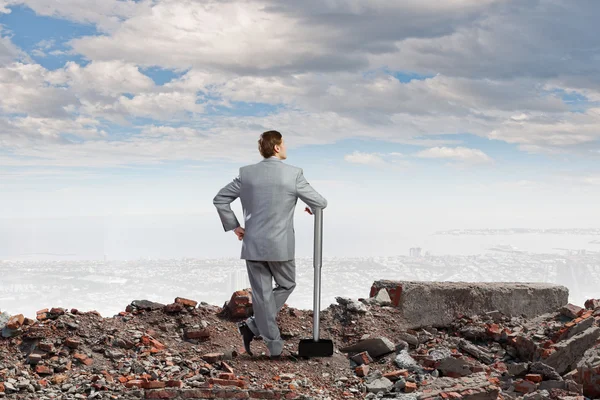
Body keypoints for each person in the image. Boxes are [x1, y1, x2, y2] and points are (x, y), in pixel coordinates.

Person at [213, 130, 327, 359]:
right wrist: (311, 207)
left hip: (252, 244)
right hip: (280, 245)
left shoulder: (246, 174)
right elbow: (320, 202)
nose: (285, 148)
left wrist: (235, 226)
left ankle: (257, 328)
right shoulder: (293, 174)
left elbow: (220, 198)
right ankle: (269, 341)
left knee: (263, 295)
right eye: (284, 144)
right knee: (286, 285)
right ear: (276, 147)